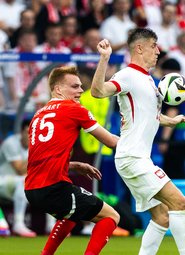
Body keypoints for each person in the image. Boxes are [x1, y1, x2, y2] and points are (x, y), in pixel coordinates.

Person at [91, 28, 185, 255]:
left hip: (137, 158)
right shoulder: (127, 75)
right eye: (154, 46)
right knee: (179, 201)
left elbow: (150, 114)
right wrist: (104, 58)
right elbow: (97, 91)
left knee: (161, 218)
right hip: (132, 157)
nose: (158, 52)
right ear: (140, 48)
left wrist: (170, 120)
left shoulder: (150, 80)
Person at [24, 66, 120, 255]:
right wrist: (142, 141)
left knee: (72, 212)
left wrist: (74, 165)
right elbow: (111, 142)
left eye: (80, 86)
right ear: (58, 89)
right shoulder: (74, 109)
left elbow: (40, 159)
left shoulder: (39, 114)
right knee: (111, 216)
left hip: (32, 190)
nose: (81, 90)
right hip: (53, 188)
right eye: (75, 86)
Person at [0, 119, 36, 237]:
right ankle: (18, 224)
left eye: (34, 132)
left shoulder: (36, 143)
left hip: (19, 186)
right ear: (21, 132)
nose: (31, 136)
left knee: (50, 183)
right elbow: (20, 170)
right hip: (3, 181)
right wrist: (37, 153)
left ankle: (51, 226)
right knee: (23, 180)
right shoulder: (10, 143)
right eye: (28, 132)